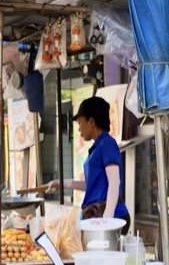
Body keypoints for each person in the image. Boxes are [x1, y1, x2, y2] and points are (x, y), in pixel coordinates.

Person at [48, 96, 130, 233]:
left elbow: (114, 183)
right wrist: (61, 183)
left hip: (111, 216)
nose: (79, 129)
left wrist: (107, 219)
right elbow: (90, 185)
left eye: (80, 123)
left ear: (91, 121)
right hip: (96, 216)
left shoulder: (107, 144)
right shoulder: (96, 148)